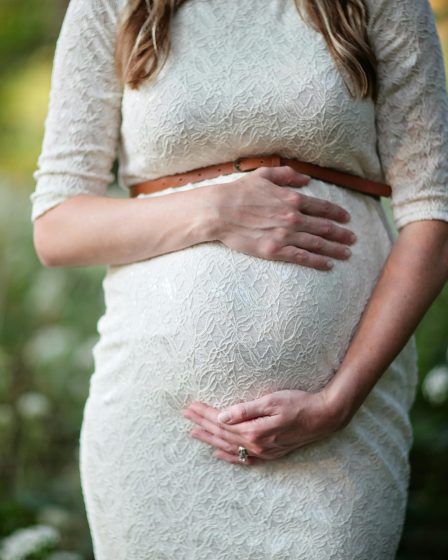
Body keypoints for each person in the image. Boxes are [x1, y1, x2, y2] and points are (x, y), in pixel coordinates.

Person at [30, 0, 448, 558]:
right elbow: (57, 228)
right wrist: (215, 211)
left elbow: (434, 213)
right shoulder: (113, 6)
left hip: (339, 436)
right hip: (155, 433)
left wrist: (338, 402)